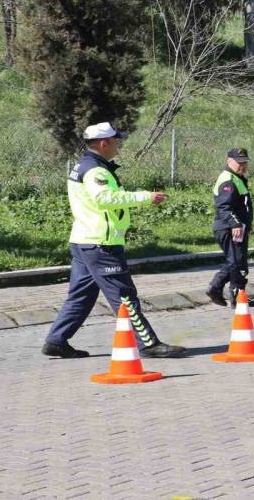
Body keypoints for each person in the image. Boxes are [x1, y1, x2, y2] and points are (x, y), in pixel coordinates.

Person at [43, 122, 185, 359]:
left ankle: (56, 341)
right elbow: (105, 199)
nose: (119, 145)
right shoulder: (95, 170)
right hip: (101, 244)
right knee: (124, 296)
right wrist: (145, 197)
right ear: (103, 143)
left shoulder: (84, 165)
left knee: (81, 296)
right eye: (116, 141)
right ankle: (148, 344)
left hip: (84, 241)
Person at [206, 148, 254, 308]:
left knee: (238, 262)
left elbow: (241, 205)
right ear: (229, 161)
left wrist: (246, 223)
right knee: (236, 262)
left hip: (236, 227)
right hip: (228, 227)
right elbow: (224, 206)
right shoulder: (228, 180)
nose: (242, 165)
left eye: (244, 162)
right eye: (239, 162)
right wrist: (235, 223)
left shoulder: (237, 178)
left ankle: (236, 295)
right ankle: (217, 289)